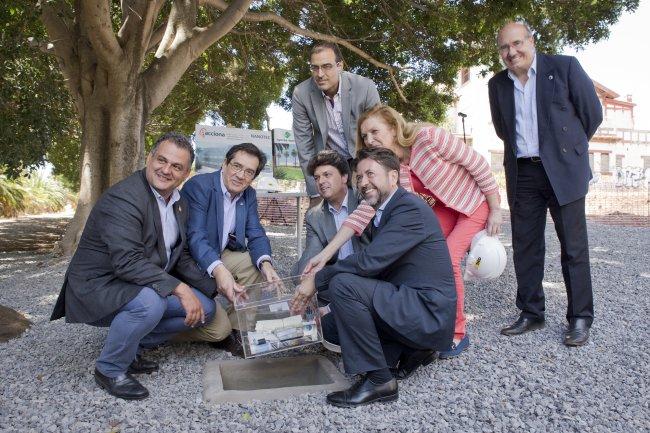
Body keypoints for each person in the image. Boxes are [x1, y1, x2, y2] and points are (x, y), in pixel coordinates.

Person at [304, 104, 502, 359]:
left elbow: (477, 164)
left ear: (394, 127)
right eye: (364, 136)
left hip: (471, 204)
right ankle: (416, 319)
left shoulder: (429, 138)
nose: (369, 139)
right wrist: (326, 254)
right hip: (441, 212)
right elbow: (363, 212)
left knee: (449, 260)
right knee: (414, 256)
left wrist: (495, 207)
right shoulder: (394, 168)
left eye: (375, 131)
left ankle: (456, 333)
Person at [50, 132, 224, 400]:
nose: (166, 170)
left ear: (186, 173)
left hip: (138, 282)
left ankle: (131, 347)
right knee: (149, 303)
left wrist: (217, 285)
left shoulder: (179, 203)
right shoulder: (124, 199)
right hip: (100, 286)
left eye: (176, 166)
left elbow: (180, 253)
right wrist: (180, 289)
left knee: (206, 311)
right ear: (149, 157)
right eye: (161, 160)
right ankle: (109, 368)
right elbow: (127, 262)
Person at [293, 147, 456, 408]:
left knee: (342, 284)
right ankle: (412, 349)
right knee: (333, 326)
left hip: (428, 312)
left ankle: (379, 379)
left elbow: (369, 263)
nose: (364, 182)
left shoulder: (409, 209)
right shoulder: (385, 211)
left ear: (393, 177)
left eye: (371, 173)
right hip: (409, 302)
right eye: (359, 176)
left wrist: (317, 280)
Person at [488, 22, 602, 346]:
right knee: (526, 246)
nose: (511, 52)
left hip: (563, 170)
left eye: (516, 43)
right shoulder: (497, 85)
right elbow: (502, 129)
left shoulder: (563, 67)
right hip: (524, 173)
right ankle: (531, 312)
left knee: (574, 248)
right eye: (504, 48)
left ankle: (580, 317)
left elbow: (592, 113)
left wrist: (570, 152)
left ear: (531, 41)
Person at [181, 142, 281, 354]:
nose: (240, 175)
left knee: (254, 265)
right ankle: (157, 332)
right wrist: (219, 270)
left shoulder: (248, 194)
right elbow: (195, 237)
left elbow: (256, 233)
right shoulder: (200, 186)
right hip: (188, 260)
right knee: (218, 330)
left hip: (217, 251)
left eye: (249, 172)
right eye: (236, 166)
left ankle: (237, 330)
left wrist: (266, 264)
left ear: (253, 177)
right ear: (225, 163)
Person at [292, 41, 380, 207]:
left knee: (370, 215)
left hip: (363, 158)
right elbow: (304, 145)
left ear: (339, 65)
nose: (320, 74)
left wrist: (375, 174)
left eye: (326, 66)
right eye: (314, 67)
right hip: (330, 164)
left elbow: (378, 135)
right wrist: (314, 190)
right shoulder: (301, 94)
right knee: (319, 217)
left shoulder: (365, 87)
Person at [292, 150, 369, 277]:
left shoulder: (364, 199)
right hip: (337, 279)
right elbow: (311, 253)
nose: (321, 181)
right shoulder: (314, 216)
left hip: (370, 275)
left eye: (327, 175)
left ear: (344, 177)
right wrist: (303, 279)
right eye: (317, 178)